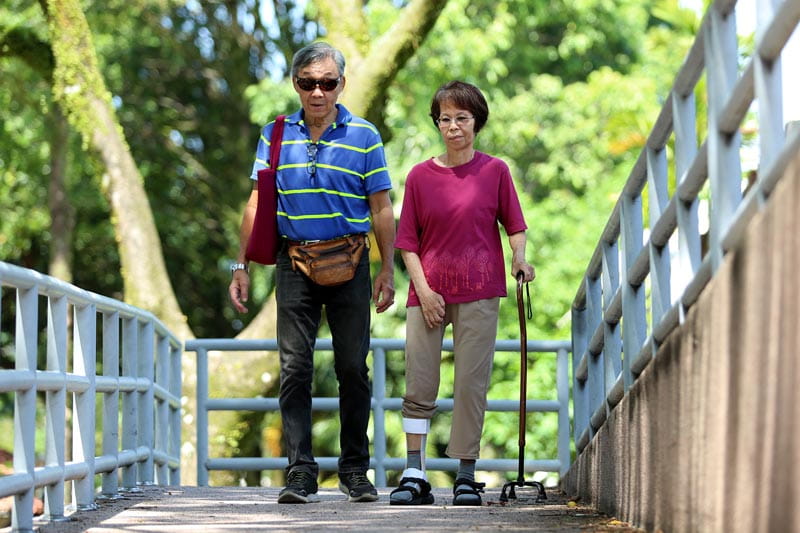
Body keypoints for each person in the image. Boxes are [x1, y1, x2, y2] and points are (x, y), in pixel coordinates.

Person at [229, 42, 396, 504]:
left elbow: (381, 207)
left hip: (352, 261)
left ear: (341, 84)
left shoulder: (364, 135)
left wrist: (388, 270)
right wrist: (240, 265)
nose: (317, 91)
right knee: (294, 368)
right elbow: (257, 202)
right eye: (308, 83)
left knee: (351, 369)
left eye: (327, 82)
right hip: (294, 263)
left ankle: (355, 470)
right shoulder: (275, 133)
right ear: (296, 84)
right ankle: (300, 471)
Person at [390, 81, 535, 506]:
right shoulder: (419, 176)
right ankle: (414, 473)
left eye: (462, 118)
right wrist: (424, 289)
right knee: (420, 380)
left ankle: (466, 475)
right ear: (437, 123)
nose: (453, 126)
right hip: (427, 292)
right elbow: (406, 242)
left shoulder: (495, 171)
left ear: (476, 122)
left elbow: (516, 226)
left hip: (480, 289)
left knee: (471, 382)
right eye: (445, 118)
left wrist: (519, 259)